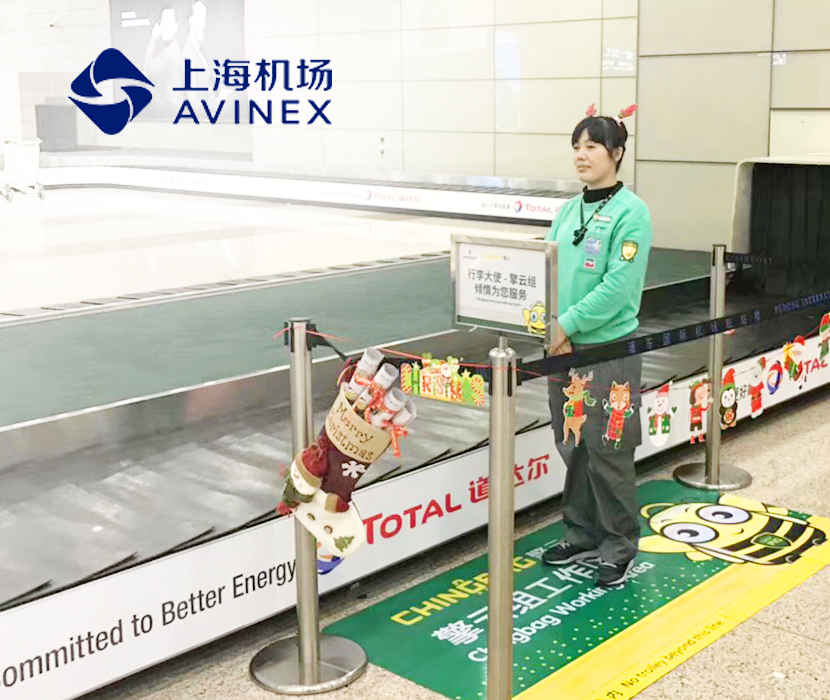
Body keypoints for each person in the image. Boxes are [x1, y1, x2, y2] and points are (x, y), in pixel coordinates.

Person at [541, 103, 653, 588]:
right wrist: (550, 327)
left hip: (607, 351)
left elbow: (617, 288)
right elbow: (546, 269)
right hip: (562, 350)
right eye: (576, 146)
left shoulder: (632, 213)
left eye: (592, 146)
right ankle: (581, 532)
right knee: (573, 445)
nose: (581, 155)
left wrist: (564, 325)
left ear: (617, 153)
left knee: (609, 448)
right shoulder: (569, 210)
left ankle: (619, 544)